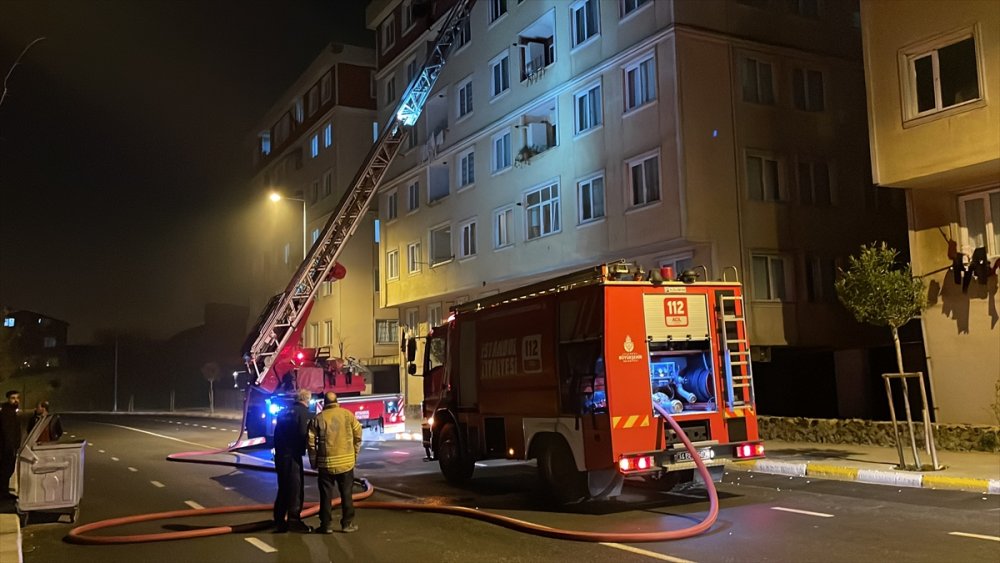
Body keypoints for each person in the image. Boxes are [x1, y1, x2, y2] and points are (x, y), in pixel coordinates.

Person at [308, 391, 362, 534]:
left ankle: (326, 525)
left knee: (326, 496)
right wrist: (354, 455)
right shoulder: (348, 415)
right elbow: (358, 434)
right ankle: (347, 524)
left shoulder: (318, 419)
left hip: (326, 464)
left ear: (324, 403)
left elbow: (311, 443)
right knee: (346, 494)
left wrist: (313, 462)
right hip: (346, 464)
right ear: (337, 401)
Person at [272, 388, 313, 533]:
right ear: (306, 400)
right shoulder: (303, 413)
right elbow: (304, 434)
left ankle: (279, 518)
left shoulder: (284, 411)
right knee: (295, 489)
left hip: (281, 455)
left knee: (283, 487)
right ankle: (294, 520)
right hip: (292, 456)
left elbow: (276, 434)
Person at [0, 390, 21, 499]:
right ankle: (3, 494)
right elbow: (7, 433)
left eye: (17, 398)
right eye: (13, 398)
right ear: (8, 399)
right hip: (6, 450)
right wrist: (11, 448)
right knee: (5, 470)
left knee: (7, 470)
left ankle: (4, 491)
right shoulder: (7, 413)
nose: (16, 400)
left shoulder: (11, 412)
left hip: (9, 449)